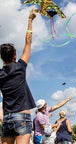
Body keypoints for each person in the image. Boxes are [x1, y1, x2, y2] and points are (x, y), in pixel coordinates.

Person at [0, 9, 36, 144]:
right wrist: (30, 20)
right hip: (22, 116)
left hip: (7, 118)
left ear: (2, 58)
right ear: (15, 56)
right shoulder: (20, 67)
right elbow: (28, 41)